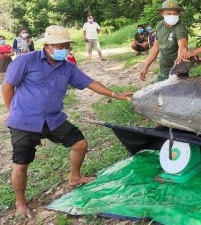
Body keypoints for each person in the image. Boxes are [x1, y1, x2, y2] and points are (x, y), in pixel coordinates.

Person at [2, 25, 133, 218]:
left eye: (66, 45)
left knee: (80, 144)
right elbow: (8, 86)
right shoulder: (26, 61)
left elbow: (90, 83)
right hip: (24, 121)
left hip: (53, 119)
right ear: (47, 45)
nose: (64, 49)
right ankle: (20, 202)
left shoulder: (68, 67)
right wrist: (11, 110)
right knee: (21, 164)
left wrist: (115, 94)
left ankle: (75, 177)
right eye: (59, 45)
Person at [139, 0, 188, 82]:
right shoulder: (160, 25)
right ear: (162, 14)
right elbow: (156, 47)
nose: (172, 16)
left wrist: (180, 56)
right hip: (163, 72)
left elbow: (182, 44)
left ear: (179, 14)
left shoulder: (180, 28)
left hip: (178, 72)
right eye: (169, 13)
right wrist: (145, 66)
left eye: (175, 13)